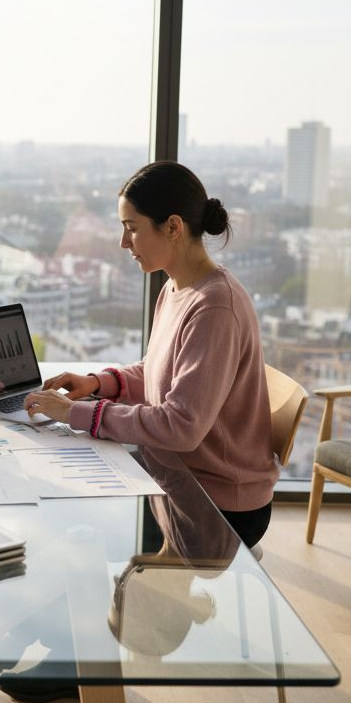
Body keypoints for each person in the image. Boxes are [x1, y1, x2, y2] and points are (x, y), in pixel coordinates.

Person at [24, 160, 278, 548]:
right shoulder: (177, 288)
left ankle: (131, 606)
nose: (124, 243)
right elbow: (159, 370)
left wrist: (74, 413)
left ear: (173, 227)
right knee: (61, 512)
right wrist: (99, 383)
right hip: (175, 474)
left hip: (215, 504)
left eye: (131, 228)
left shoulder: (214, 307)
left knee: (69, 535)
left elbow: (181, 426)